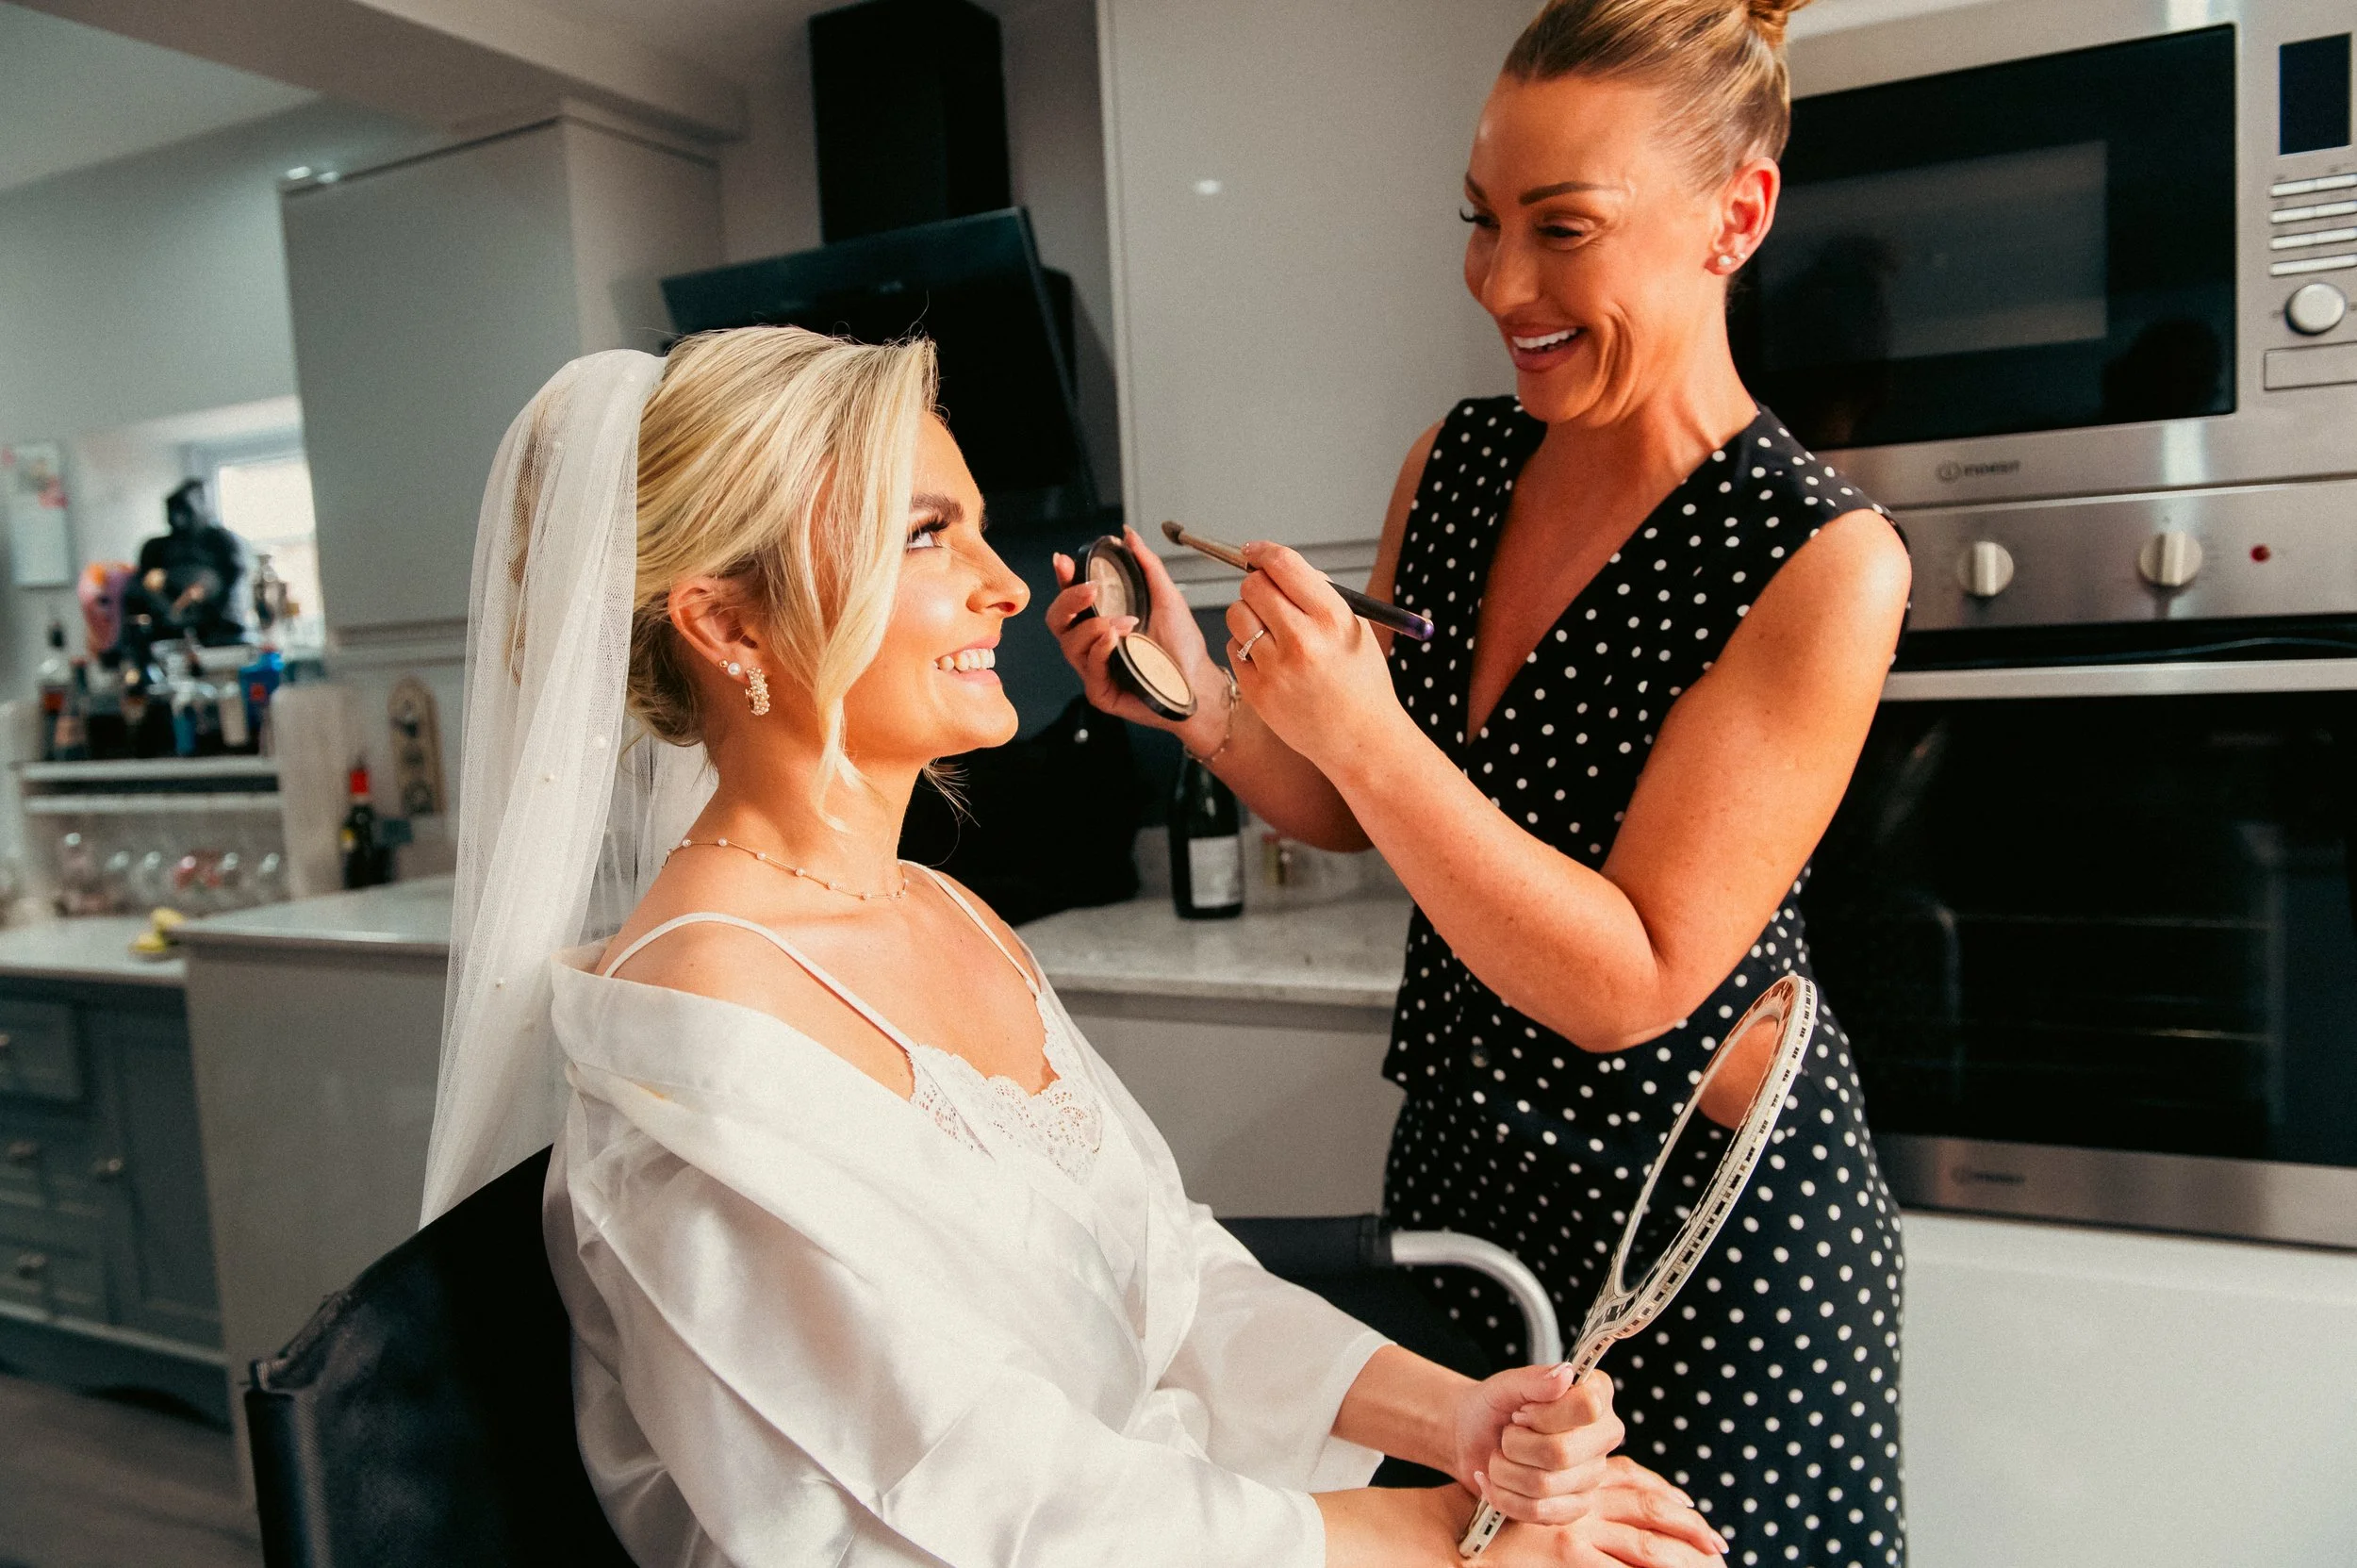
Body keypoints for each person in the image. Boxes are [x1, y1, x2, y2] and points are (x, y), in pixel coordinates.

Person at [420, 327, 1730, 1567]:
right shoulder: (693, 1028)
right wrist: (1438, 1537)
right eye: (930, 534)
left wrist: (1457, 1421)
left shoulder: (953, 917)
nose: (1003, 582)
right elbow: (987, 1496)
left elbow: (1164, 1276)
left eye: (978, 527)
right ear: (725, 625)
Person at [1050, 3, 1913, 1566]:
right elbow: (1355, 805)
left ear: (1740, 215)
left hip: (1699, 1244)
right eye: (1483, 219)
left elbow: (1634, 979)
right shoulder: (1456, 465)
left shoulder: (1818, 561)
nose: (1502, 284)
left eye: (1562, 228)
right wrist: (1210, 709)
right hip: (1467, 1187)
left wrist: (1366, 727)